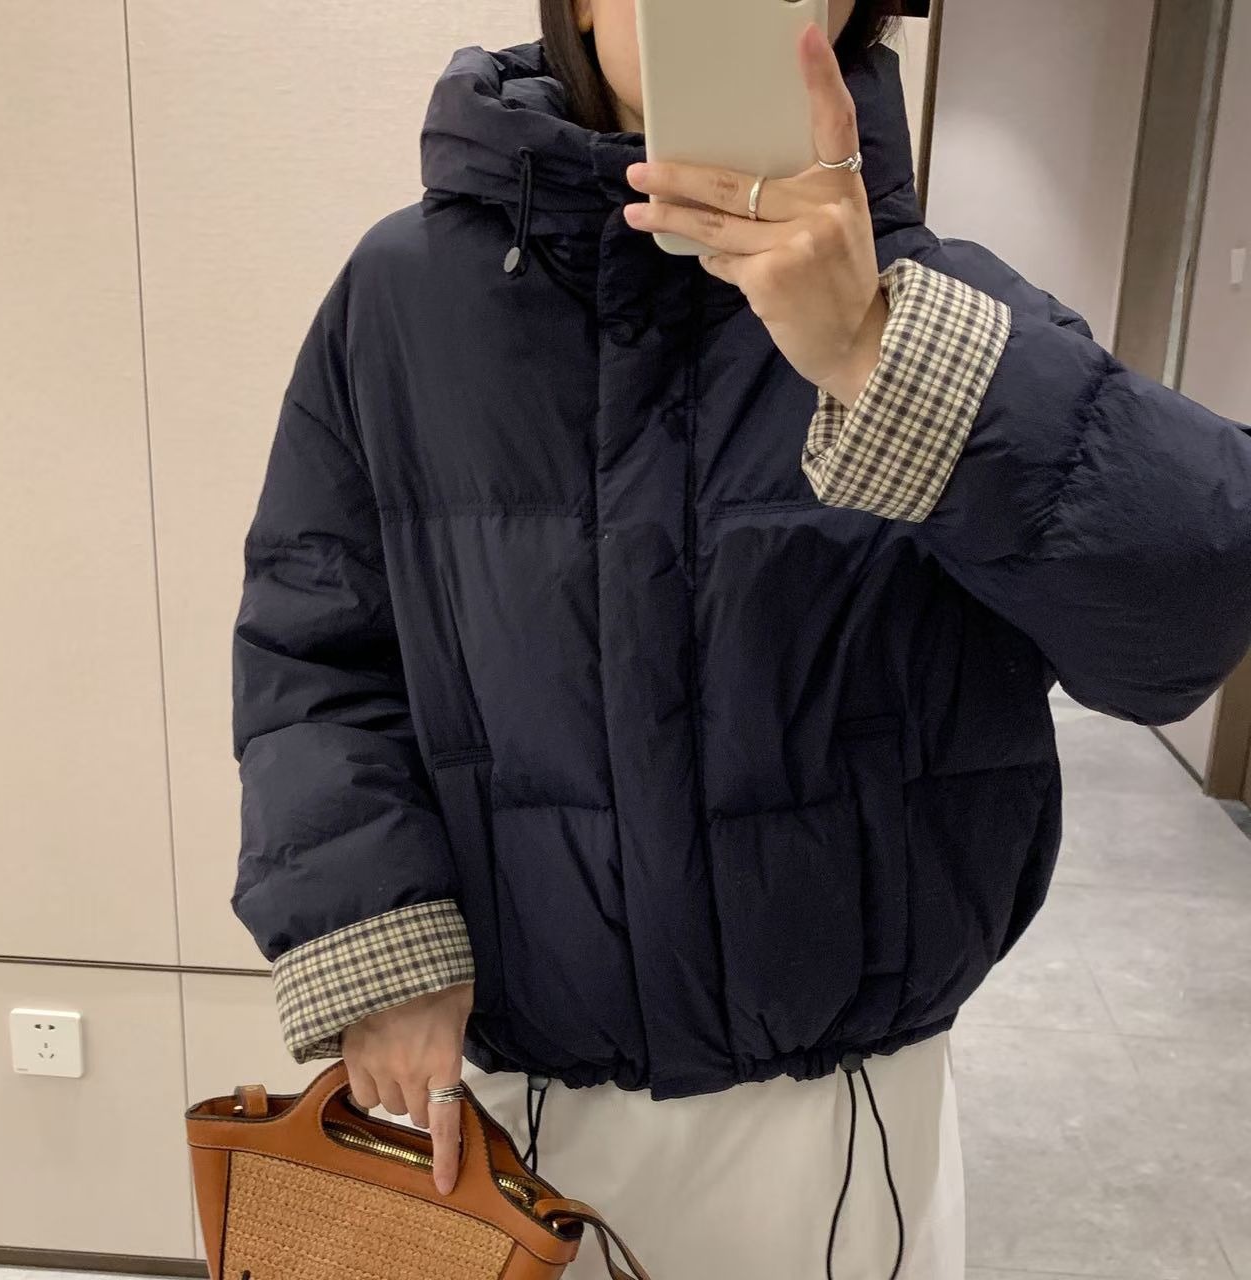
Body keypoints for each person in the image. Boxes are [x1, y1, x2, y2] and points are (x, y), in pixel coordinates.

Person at [227, 1, 1251, 1276]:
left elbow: (1188, 612)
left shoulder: (928, 301)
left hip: (841, 1124)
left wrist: (876, 353)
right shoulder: (404, 297)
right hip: (507, 1120)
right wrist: (377, 938)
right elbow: (313, 644)